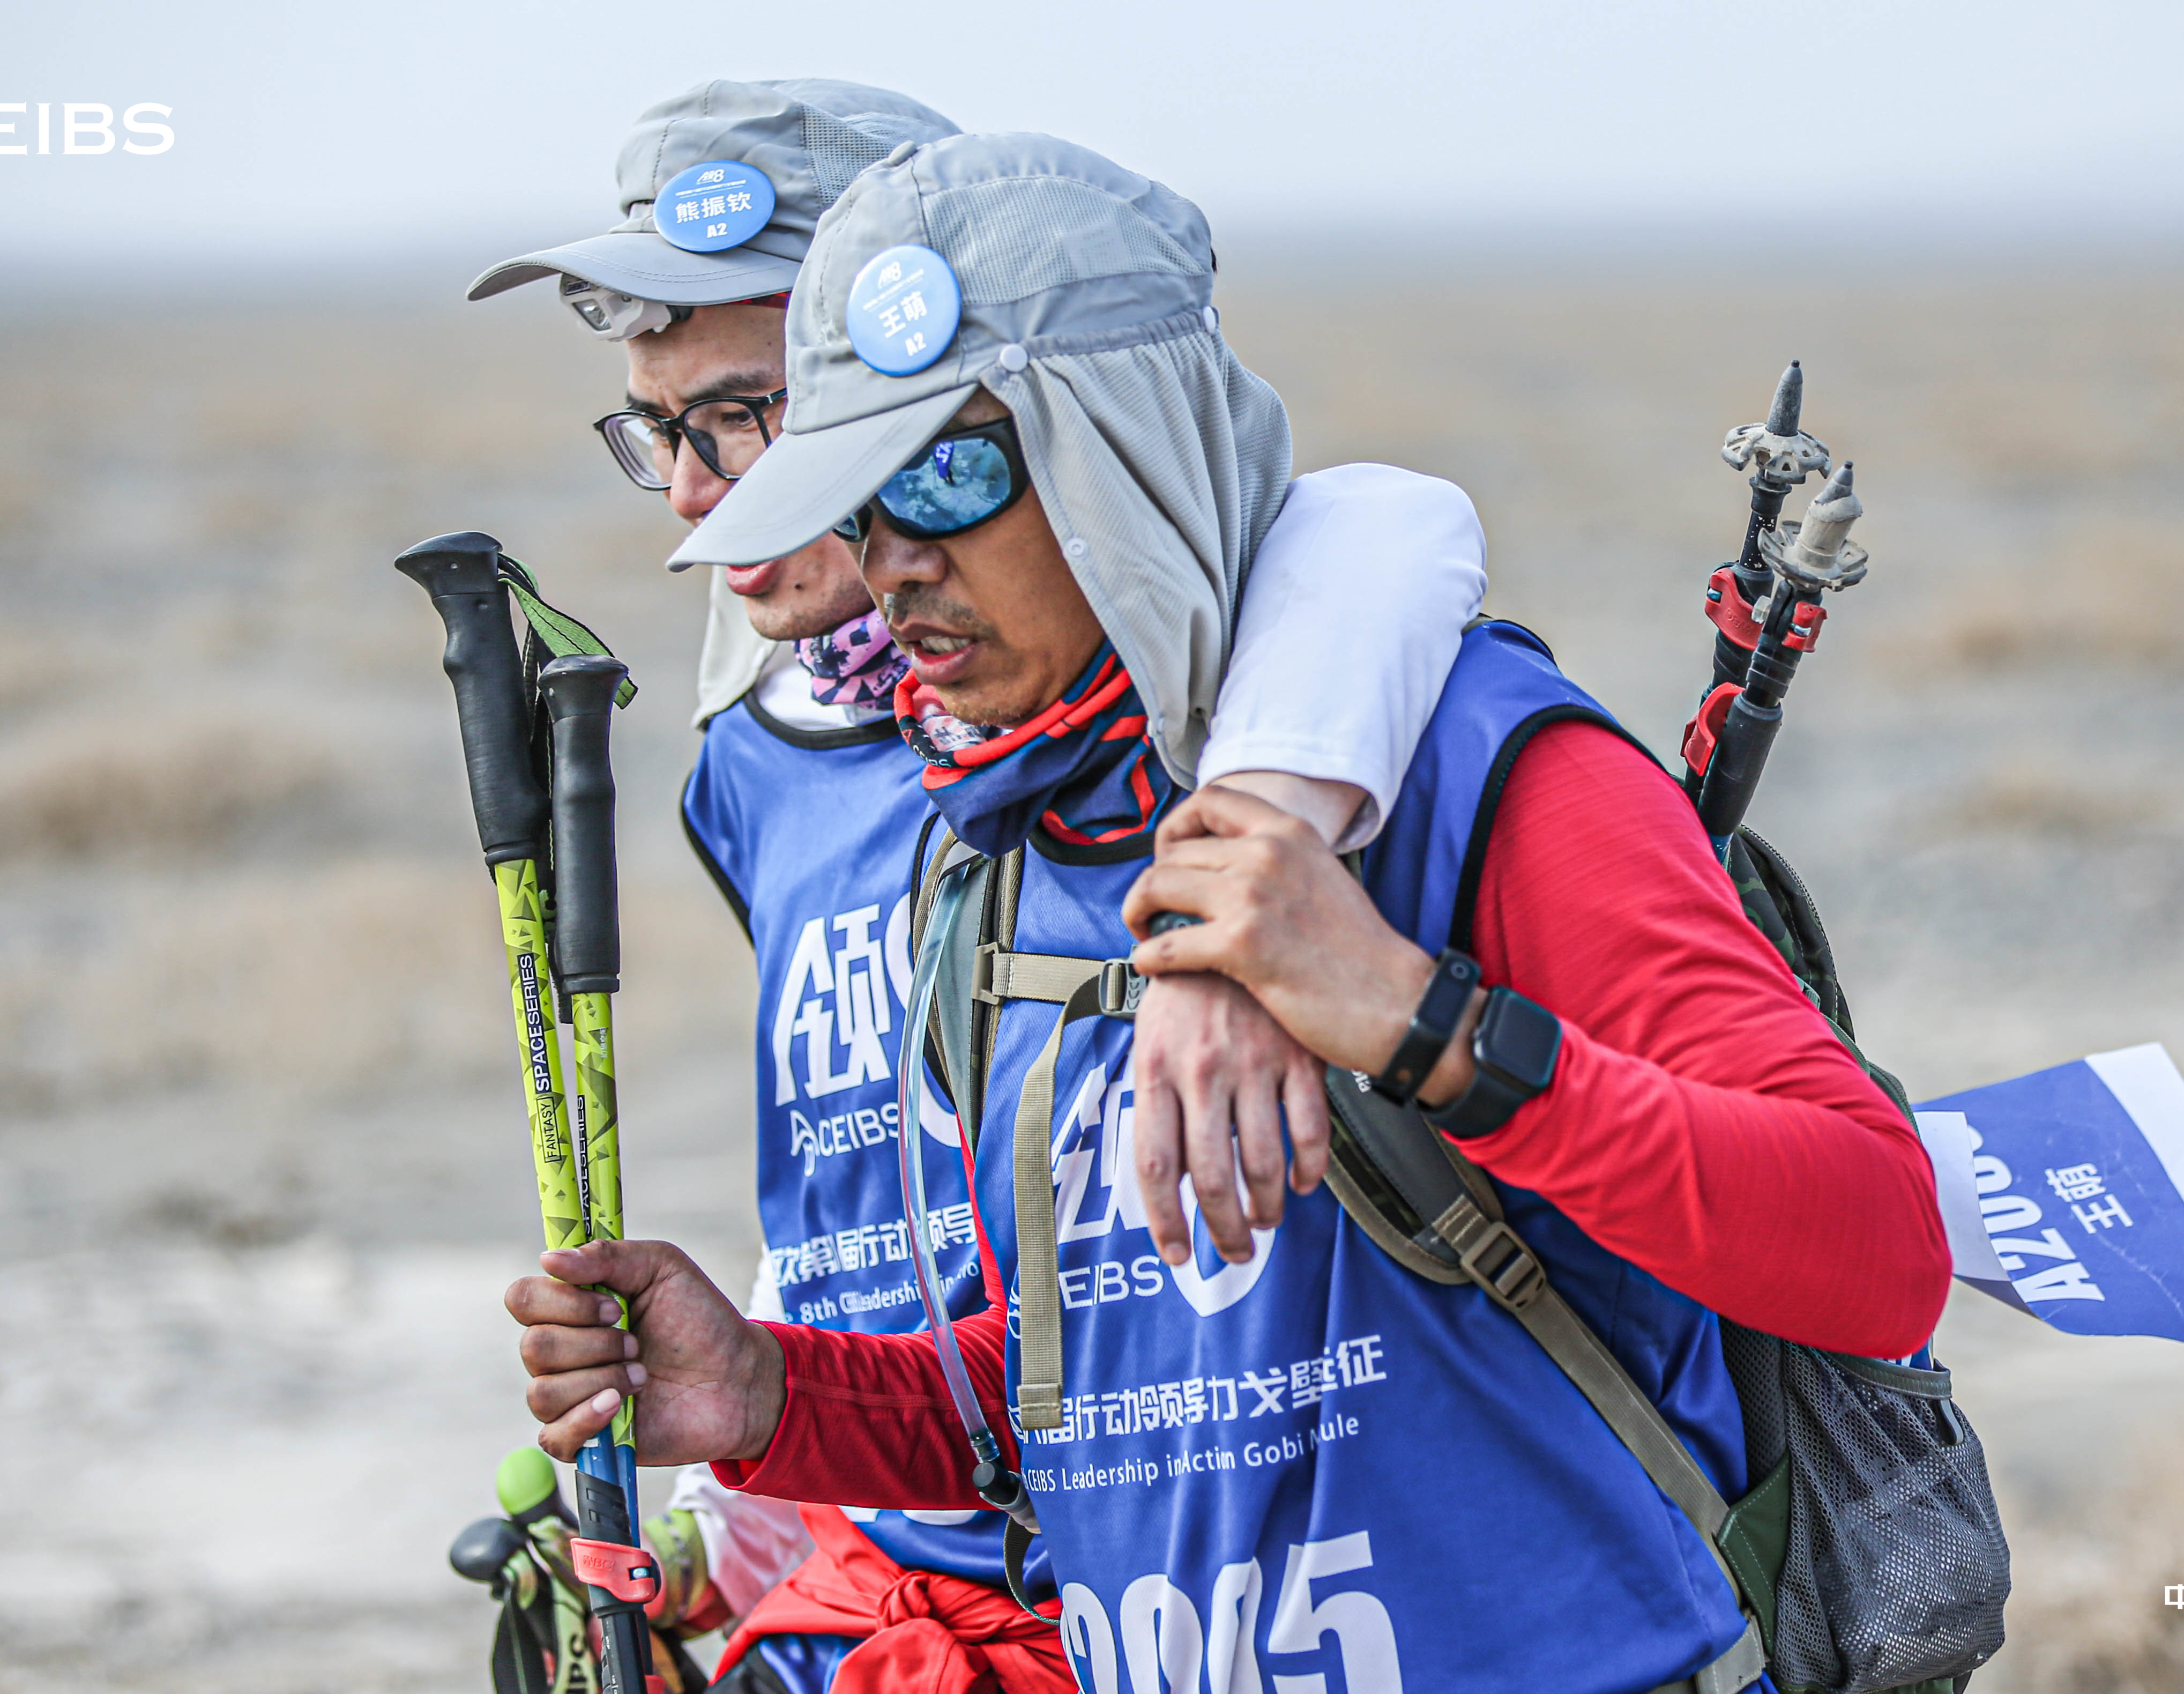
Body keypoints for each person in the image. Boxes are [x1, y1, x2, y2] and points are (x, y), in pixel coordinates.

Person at [506, 132, 1950, 1694]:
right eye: (854, 504)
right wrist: (778, 1398)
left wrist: (1424, 1028)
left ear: (1122, 449)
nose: (893, 564)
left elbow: (1876, 1250)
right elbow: (1097, 1395)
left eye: (944, 471)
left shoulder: (1477, 762)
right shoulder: (995, 861)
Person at [469, 83, 1487, 1694]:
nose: (695, 490)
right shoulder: (753, 742)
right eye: (661, 433)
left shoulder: (1186, 677)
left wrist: (1238, 882)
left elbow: (1389, 527)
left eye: (748, 416)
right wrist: (724, 1524)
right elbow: (850, 1190)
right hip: (880, 1538)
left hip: (1185, 1562)